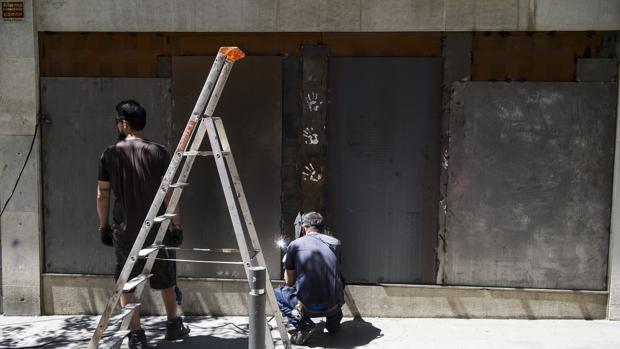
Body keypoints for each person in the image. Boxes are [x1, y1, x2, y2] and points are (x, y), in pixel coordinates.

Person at [96, 100, 190, 348]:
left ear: (124, 124)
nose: (117, 125)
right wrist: (176, 227)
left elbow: (102, 195)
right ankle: (172, 324)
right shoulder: (159, 152)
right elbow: (170, 193)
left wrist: (103, 227)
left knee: (127, 281)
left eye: (118, 121)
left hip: (124, 229)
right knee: (166, 277)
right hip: (156, 227)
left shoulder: (109, 155)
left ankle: (135, 334)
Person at [275, 212, 345, 345]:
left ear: (302, 228)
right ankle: (333, 324)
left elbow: (289, 282)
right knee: (338, 281)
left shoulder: (295, 245)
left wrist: (289, 267)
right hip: (333, 305)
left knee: (278, 294)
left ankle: (304, 325)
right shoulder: (336, 243)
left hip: (308, 307)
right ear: (323, 228)